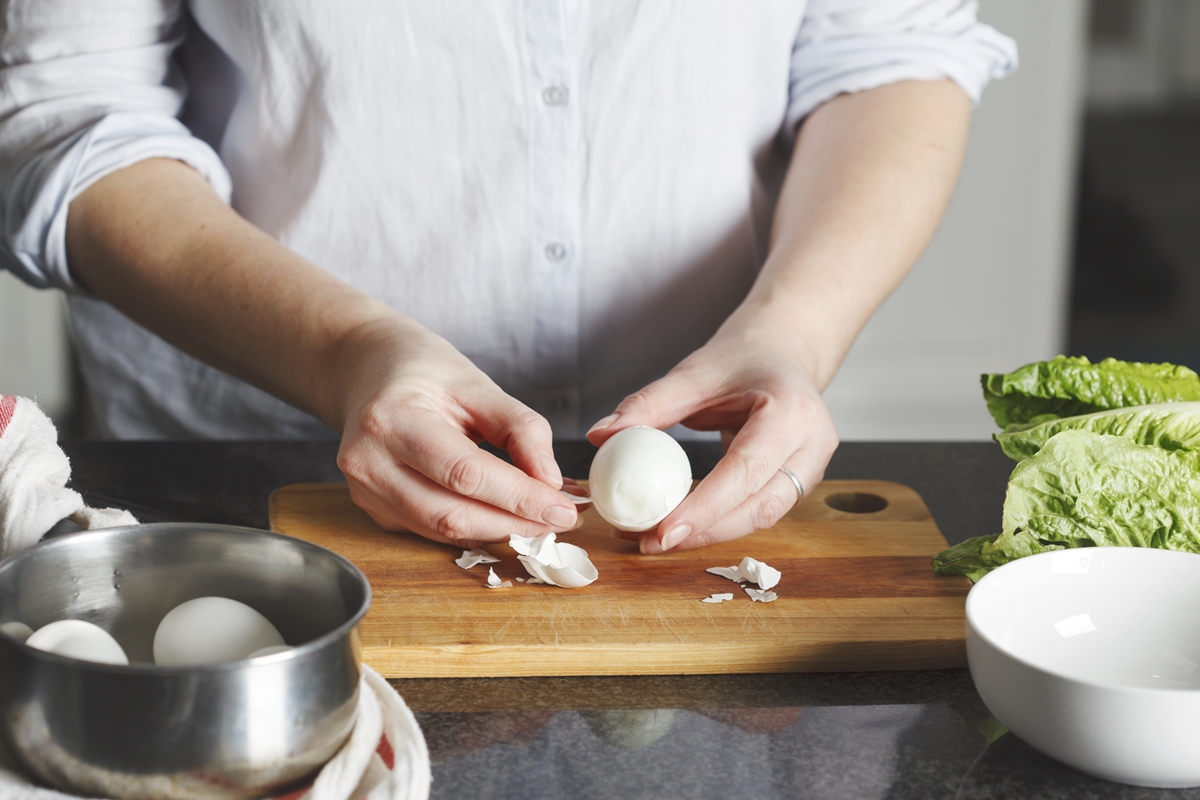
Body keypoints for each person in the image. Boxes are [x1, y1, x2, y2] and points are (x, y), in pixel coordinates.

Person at [0, 1, 1015, 554]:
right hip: (250, 470)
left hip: (711, 471)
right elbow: (70, 115)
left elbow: (891, 47)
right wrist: (351, 351)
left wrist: (794, 331)